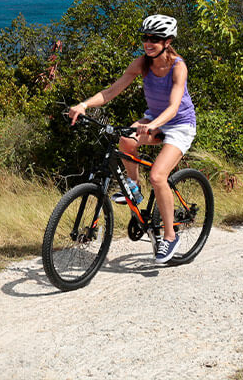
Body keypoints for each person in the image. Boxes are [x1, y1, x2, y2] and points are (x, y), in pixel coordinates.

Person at [67, 14, 196, 264]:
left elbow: (173, 106)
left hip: (179, 125)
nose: (148, 43)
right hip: (154, 120)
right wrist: (83, 105)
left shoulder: (178, 66)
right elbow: (111, 91)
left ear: (168, 41)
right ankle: (133, 189)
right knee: (125, 141)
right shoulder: (141, 64)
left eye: (155, 39)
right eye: (145, 38)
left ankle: (169, 236)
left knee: (158, 176)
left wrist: (154, 125)